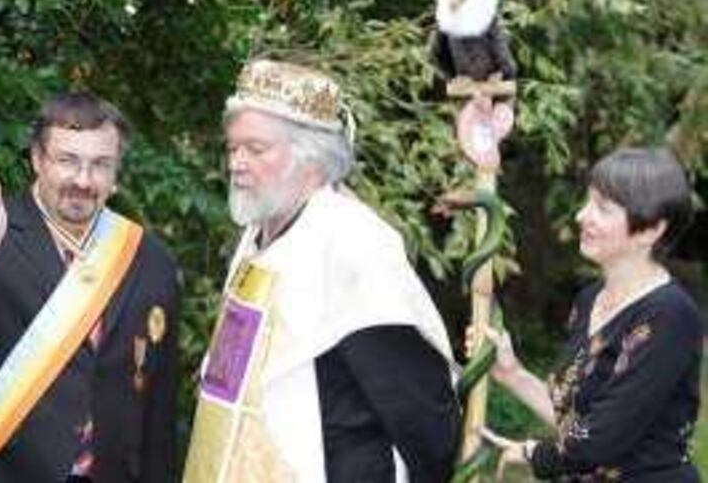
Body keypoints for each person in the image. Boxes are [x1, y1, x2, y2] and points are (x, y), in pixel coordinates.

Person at [183, 59, 461, 483]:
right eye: (233, 148)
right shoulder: (259, 235)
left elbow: (418, 406)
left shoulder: (353, 243)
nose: (236, 163)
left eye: (255, 149)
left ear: (311, 160)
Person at [0, 91, 180, 482]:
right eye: (68, 161)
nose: (83, 181)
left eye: (100, 164)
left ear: (117, 171)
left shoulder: (151, 261)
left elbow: (158, 410)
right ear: (37, 159)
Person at [481, 147, 703, 481]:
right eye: (588, 202)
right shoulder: (589, 300)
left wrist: (532, 453)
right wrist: (511, 373)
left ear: (651, 229)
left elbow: (599, 443)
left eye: (603, 207)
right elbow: (576, 423)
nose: (581, 216)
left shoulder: (669, 316)